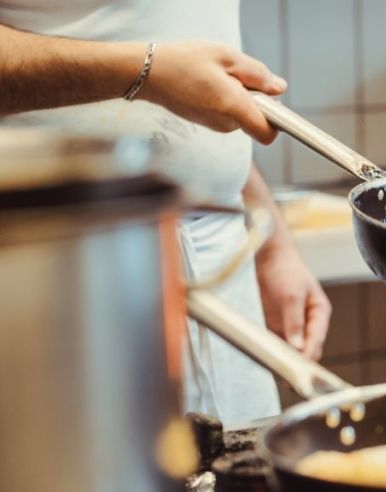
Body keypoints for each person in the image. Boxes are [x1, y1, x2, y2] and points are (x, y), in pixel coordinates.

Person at [0, 1, 331, 426]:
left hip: (225, 280)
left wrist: (270, 243)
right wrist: (147, 71)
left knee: (245, 484)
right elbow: (166, 69)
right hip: (60, 276)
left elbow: (184, 53)